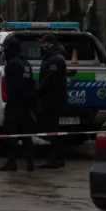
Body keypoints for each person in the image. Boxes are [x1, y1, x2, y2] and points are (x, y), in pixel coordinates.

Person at [0, 35, 36, 172]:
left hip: (15, 104)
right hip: (25, 104)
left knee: (11, 134)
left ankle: (12, 162)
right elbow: (32, 84)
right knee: (26, 135)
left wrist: (11, 100)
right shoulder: (26, 63)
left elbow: (13, 86)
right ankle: (29, 163)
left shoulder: (13, 64)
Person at [36, 33, 68, 169]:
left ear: (49, 44)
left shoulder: (55, 59)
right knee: (55, 130)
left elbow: (49, 80)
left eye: (44, 43)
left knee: (53, 130)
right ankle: (58, 158)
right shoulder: (52, 57)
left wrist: (37, 92)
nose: (42, 46)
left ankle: (54, 159)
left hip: (53, 100)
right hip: (52, 99)